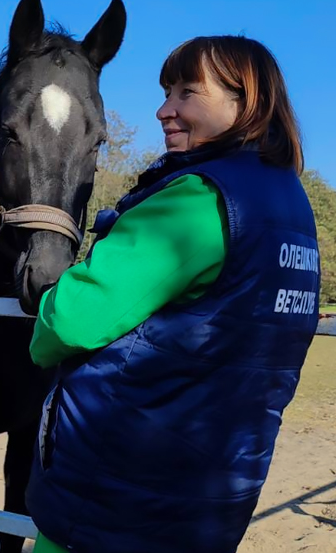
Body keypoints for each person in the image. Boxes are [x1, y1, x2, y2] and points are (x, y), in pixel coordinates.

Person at [26, 36, 320, 553]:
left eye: (187, 92)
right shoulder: (291, 205)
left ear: (245, 99)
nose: (165, 110)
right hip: (211, 495)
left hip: (119, 497)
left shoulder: (199, 197)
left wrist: (49, 303)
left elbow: (71, 320)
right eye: (167, 92)